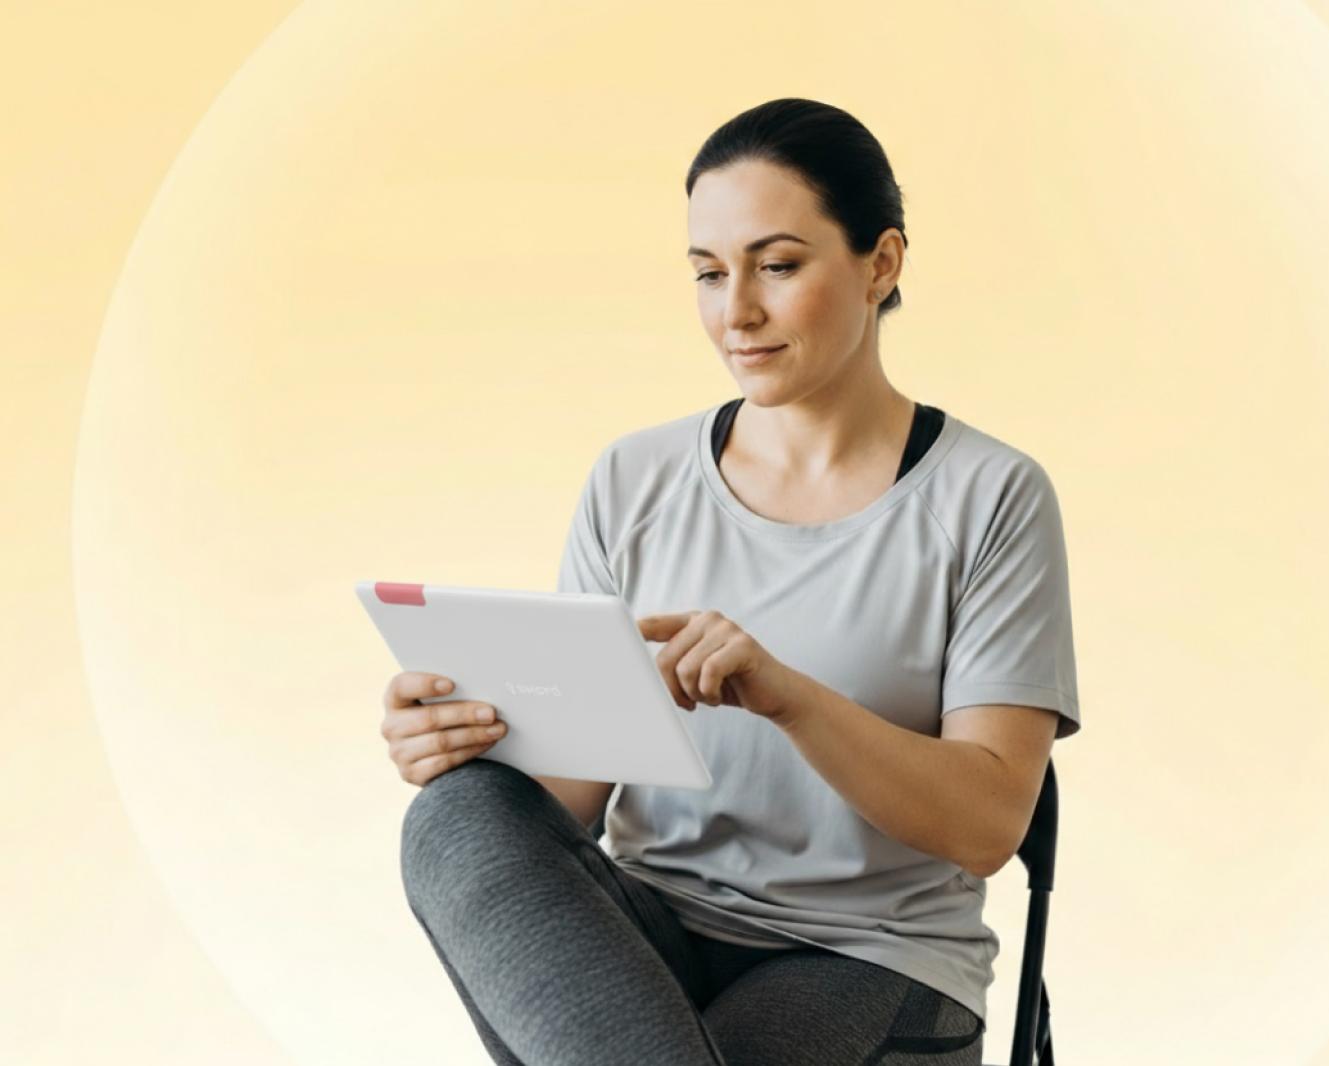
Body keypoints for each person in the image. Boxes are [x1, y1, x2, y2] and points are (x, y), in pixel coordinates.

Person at [385, 97, 1081, 1066]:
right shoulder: (635, 478)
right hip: (648, 929)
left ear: (880, 262)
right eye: (710, 274)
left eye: (778, 265)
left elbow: (985, 825)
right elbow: (571, 797)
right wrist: (464, 738)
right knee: (457, 818)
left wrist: (788, 697)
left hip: (868, 956)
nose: (735, 310)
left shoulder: (988, 494)